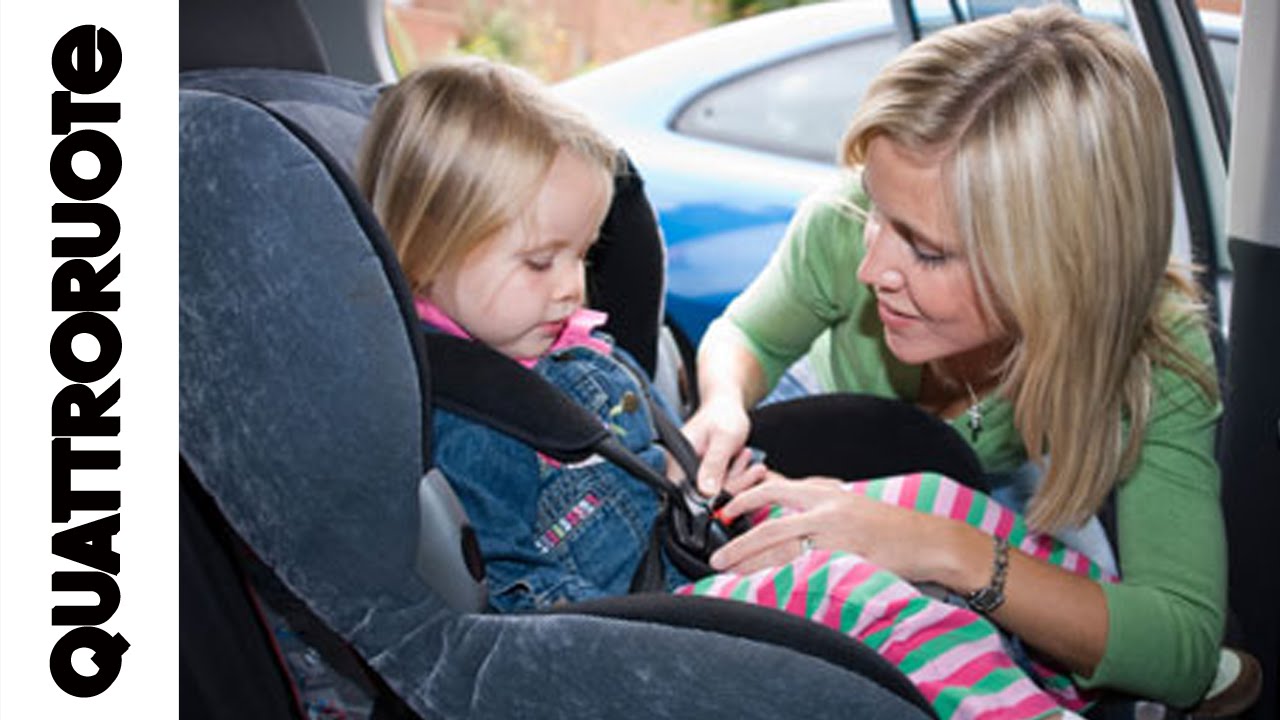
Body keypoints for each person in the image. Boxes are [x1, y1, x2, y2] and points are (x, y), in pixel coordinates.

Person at [356, 57, 1099, 719]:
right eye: (541, 262)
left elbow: (622, 479)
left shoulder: (558, 350)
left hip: (682, 554)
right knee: (852, 590)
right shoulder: (468, 425)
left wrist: (688, 482)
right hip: (636, 634)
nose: (572, 288)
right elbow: (524, 629)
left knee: (926, 502)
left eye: (582, 256)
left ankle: (1066, 658)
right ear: (429, 247)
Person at [685, 4, 1225, 709]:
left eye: (929, 251)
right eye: (875, 211)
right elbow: (745, 337)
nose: (870, 266)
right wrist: (722, 403)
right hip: (828, 440)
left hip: (1005, 502)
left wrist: (941, 546)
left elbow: (1182, 647)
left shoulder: (1155, 355)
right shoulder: (845, 225)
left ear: (1062, 263)